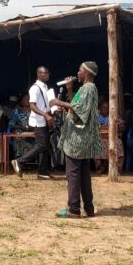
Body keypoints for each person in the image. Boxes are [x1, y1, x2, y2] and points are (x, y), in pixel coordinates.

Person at [49, 61, 104, 219]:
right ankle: (89, 208)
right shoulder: (86, 88)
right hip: (83, 139)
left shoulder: (88, 88)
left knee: (72, 174)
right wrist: (70, 90)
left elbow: (80, 109)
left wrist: (57, 102)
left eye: (79, 70)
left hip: (78, 139)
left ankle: (74, 209)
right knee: (84, 174)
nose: (77, 72)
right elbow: (76, 105)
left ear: (86, 73)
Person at [11, 67, 55, 179]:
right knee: (41, 145)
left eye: (48, 72)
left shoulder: (45, 88)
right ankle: (19, 161)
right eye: (45, 73)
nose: (47, 74)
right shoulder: (35, 88)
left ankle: (42, 172)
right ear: (38, 74)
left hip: (43, 121)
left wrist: (50, 115)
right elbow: (32, 106)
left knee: (45, 146)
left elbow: (45, 105)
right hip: (37, 122)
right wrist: (45, 115)